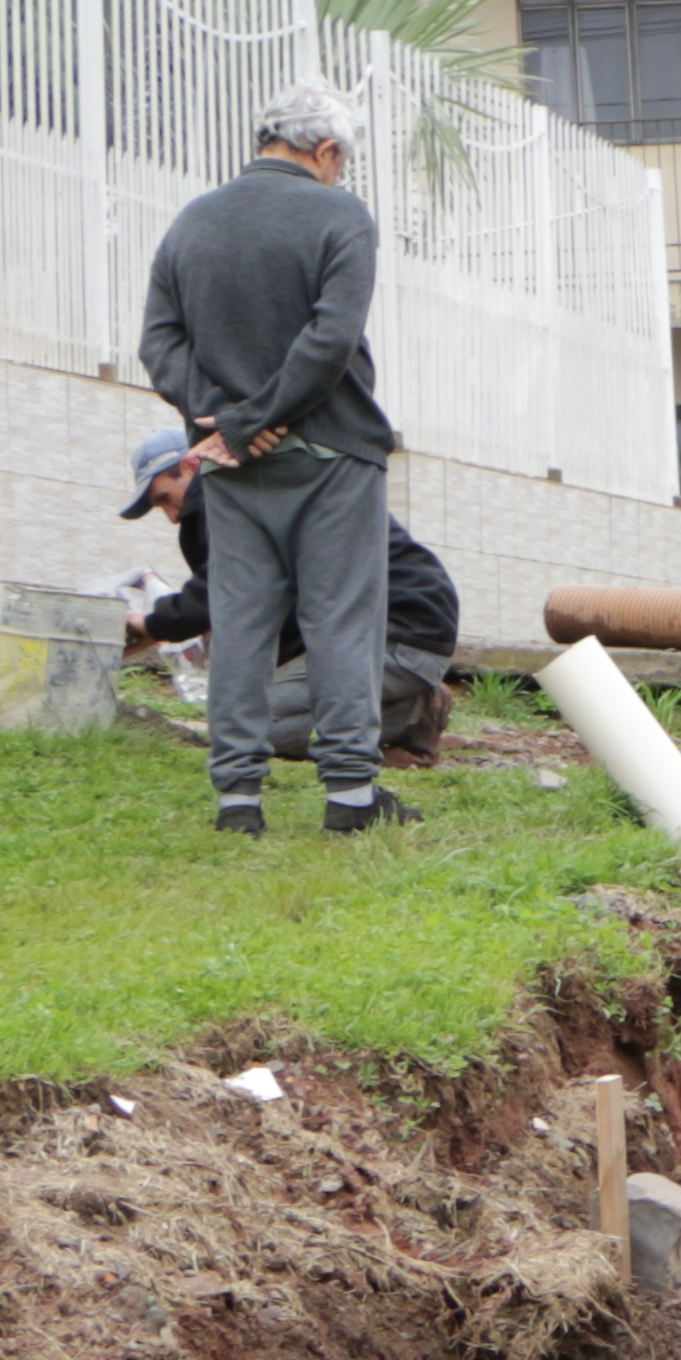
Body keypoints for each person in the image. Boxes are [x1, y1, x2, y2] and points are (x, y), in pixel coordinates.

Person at [136, 81, 409, 836]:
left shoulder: (193, 220)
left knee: (239, 622)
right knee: (340, 617)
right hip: (333, 451)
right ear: (327, 151)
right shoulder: (340, 215)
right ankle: (350, 797)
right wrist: (256, 418)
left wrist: (223, 421)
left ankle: (238, 801)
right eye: (340, 162)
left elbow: (158, 341)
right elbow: (331, 337)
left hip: (231, 466)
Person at [119, 424, 463, 769]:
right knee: (243, 713)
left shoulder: (234, 495)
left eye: (164, 498)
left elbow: (226, 582)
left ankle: (412, 714)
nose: (172, 516)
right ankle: (402, 709)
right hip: (397, 628)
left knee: (247, 726)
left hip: (399, 633)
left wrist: (154, 624)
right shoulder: (266, 486)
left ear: (192, 465)